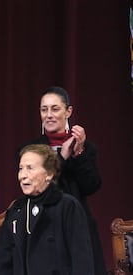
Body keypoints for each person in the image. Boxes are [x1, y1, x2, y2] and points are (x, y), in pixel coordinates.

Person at [18, 86, 106, 274]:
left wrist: (79, 154)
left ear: (68, 111)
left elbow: (92, 186)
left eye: (55, 109)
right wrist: (62, 158)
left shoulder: (85, 148)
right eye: (44, 109)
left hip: (78, 228)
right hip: (43, 228)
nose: (49, 115)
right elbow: (38, 186)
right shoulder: (30, 150)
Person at [0, 144, 94, 274]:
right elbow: (0, 265)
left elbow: (82, 263)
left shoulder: (67, 207)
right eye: (21, 169)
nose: (23, 176)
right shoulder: (16, 211)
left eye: (30, 168)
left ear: (49, 174)